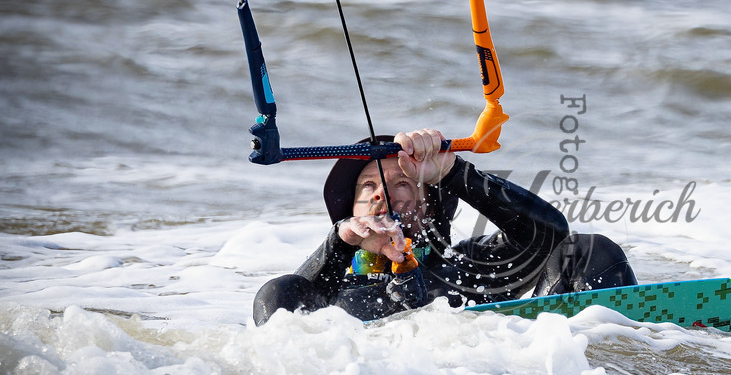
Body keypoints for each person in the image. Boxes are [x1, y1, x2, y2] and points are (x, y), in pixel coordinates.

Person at [253, 128, 637, 324]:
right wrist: (342, 241)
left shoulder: (468, 266)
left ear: (430, 208)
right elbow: (281, 310)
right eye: (367, 186)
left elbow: (549, 234)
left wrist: (452, 171)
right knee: (277, 292)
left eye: (402, 183)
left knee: (587, 252)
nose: (380, 195)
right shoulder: (330, 290)